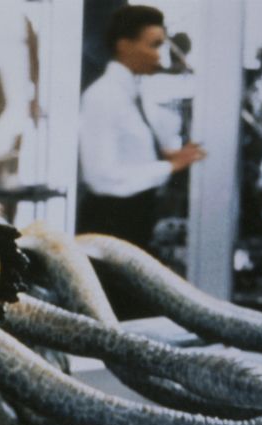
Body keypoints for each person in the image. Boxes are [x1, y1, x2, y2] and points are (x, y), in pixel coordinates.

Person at [76, 5, 205, 250]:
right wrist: (170, 167)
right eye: (154, 45)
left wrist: (167, 156)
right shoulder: (102, 97)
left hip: (134, 220)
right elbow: (100, 177)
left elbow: (130, 151)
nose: (159, 56)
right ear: (124, 46)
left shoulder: (133, 93)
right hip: (111, 225)